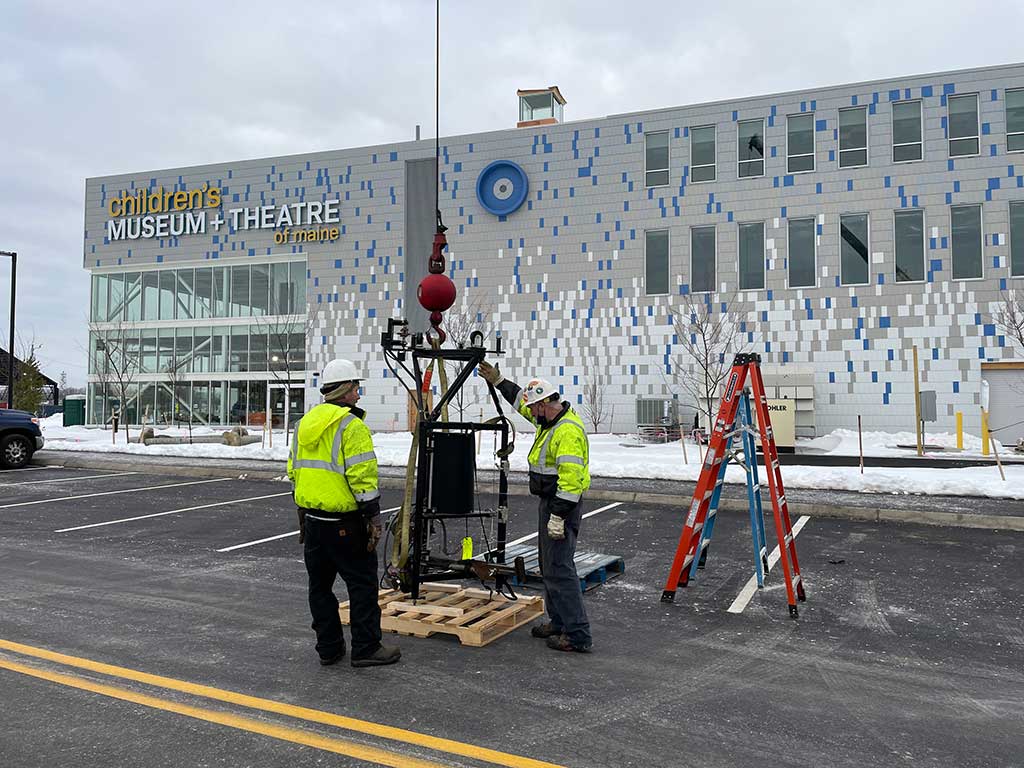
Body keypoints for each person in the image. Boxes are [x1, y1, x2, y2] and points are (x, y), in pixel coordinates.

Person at [287, 358, 401, 668]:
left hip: (313, 523)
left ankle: (329, 648)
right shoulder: (352, 426)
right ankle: (365, 648)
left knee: (319, 587)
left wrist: (303, 508)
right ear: (347, 389)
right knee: (362, 585)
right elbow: (362, 477)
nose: (359, 395)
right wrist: (374, 517)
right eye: (357, 388)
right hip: (345, 524)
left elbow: (294, 470)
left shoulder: (303, 425)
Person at [478, 361, 593, 653]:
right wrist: (499, 380)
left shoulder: (566, 432)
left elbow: (571, 480)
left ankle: (577, 634)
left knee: (559, 567)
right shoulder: (550, 419)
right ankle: (558, 622)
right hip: (551, 503)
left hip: (561, 506)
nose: (530, 413)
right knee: (548, 565)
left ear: (545, 404)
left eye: (534, 408)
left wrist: (558, 516)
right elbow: (520, 401)